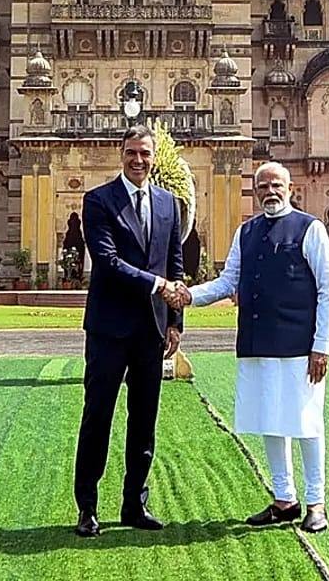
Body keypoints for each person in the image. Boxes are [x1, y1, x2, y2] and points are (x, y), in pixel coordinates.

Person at [166, 161, 329, 533]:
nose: (270, 192)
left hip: (300, 346)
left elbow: (328, 290)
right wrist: (188, 296)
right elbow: (228, 282)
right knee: (270, 420)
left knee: (307, 424)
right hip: (258, 341)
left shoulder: (310, 228)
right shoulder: (246, 232)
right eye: (263, 186)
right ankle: (284, 499)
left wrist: (321, 346)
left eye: (276, 185)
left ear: (290, 188)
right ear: (256, 191)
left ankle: (316, 502)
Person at [73, 125, 186, 538]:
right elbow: (107, 261)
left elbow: (175, 263)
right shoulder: (99, 200)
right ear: (121, 155)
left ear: (153, 157)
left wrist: (175, 322)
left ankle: (134, 504)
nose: (138, 160)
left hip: (151, 329)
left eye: (145, 153)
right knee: (98, 416)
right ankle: (87, 508)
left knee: (144, 420)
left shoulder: (168, 204)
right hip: (109, 328)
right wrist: (158, 285)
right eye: (131, 153)